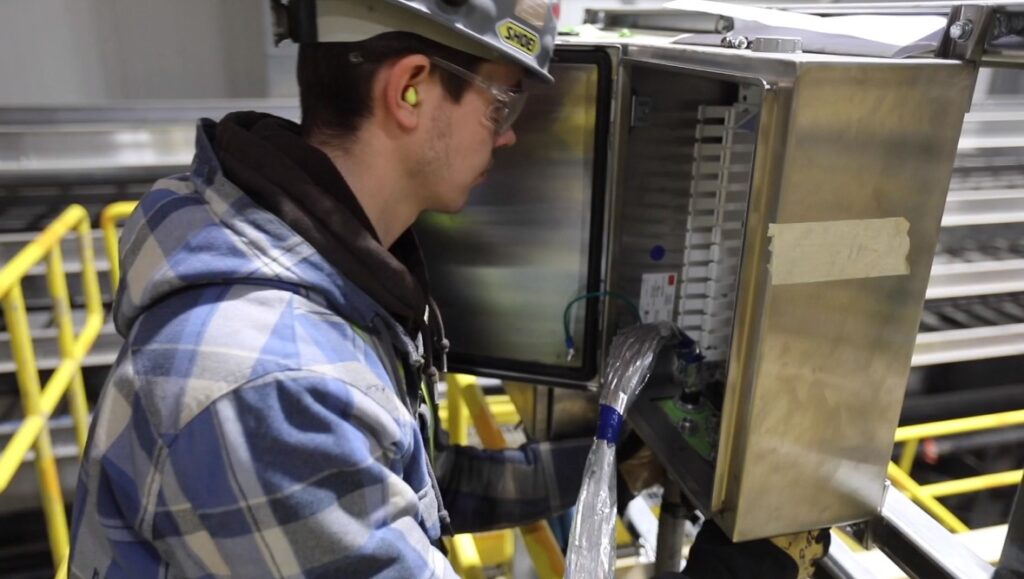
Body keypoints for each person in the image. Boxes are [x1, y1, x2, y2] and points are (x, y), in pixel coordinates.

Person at [68, 0, 826, 576]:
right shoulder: (272, 382)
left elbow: (420, 482)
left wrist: (611, 465)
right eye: (502, 101)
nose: (509, 135)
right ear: (410, 91)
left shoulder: (322, 271)